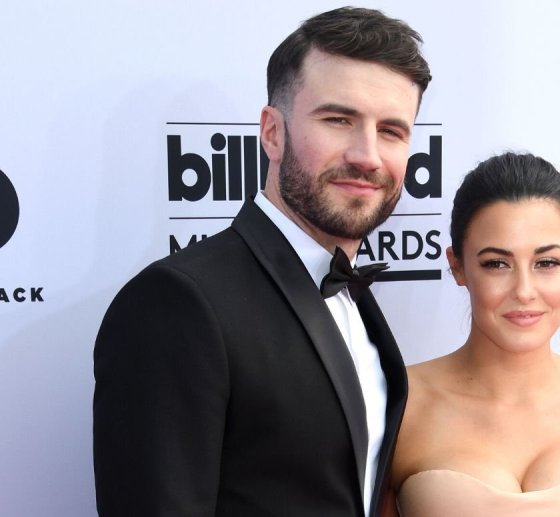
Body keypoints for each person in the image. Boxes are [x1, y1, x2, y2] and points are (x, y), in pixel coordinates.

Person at [93, 7, 431, 517]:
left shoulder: (354, 299)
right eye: (339, 119)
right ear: (272, 133)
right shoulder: (178, 303)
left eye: (391, 130)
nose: (367, 155)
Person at [384, 152, 560, 517]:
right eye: (497, 264)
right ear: (458, 266)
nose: (525, 290)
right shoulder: (398, 407)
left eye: (546, 263)